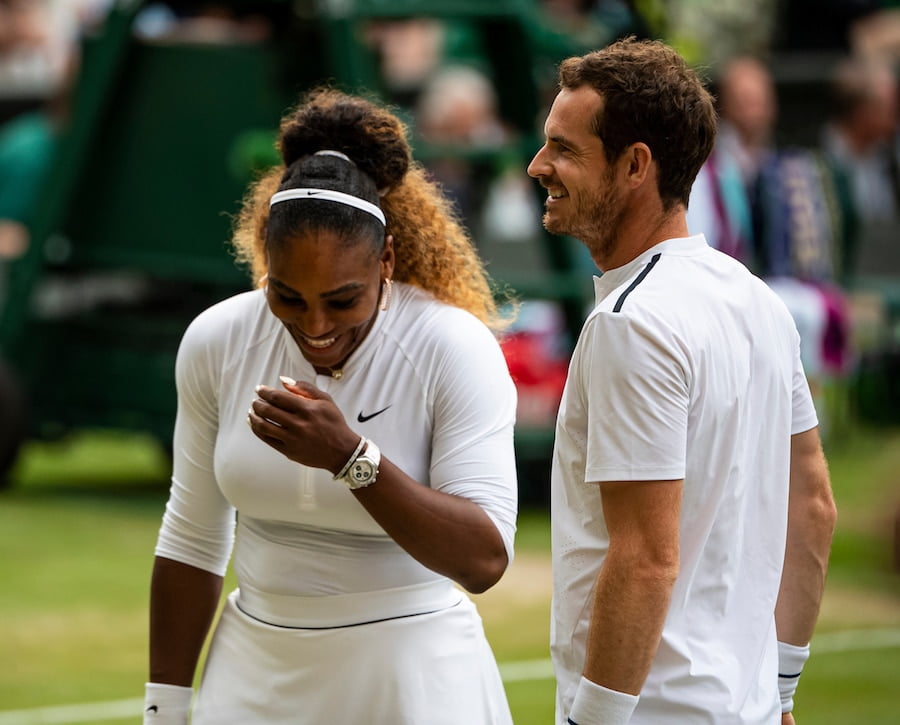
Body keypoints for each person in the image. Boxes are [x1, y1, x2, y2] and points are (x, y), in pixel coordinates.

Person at [144, 88, 518, 724]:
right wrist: (163, 709)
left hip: (412, 676)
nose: (315, 325)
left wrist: (351, 458)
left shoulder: (452, 346)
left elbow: (483, 559)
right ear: (266, 262)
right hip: (253, 672)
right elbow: (192, 535)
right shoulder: (218, 339)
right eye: (287, 297)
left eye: (343, 300)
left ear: (387, 263)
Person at [527, 37, 837, 724]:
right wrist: (781, 689)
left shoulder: (628, 324)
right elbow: (814, 506)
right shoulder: (759, 300)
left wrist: (594, 720)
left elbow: (644, 559)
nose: (538, 165)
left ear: (635, 165)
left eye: (564, 148)